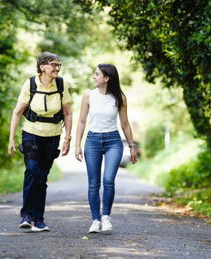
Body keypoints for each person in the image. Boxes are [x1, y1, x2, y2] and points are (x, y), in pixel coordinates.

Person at [8, 51, 72, 232]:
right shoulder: (30, 83)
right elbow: (17, 112)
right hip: (31, 132)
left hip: (52, 135)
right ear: (42, 67)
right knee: (32, 170)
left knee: (42, 177)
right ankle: (26, 215)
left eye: (58, 65)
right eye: (53, 64)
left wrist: (68, 138)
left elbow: (67, 112)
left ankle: (39, 219)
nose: (57, 68)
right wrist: (11, 138)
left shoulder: (61, 85)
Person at [74, 64, 137, 234]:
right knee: (93, 183)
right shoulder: (88, 95)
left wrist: (131, 146)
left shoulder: (120, 98)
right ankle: (95, 220)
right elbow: (81, 121)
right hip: (93, 141)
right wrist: (77, 144)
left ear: (107, 78)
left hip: (113, 142)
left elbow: (125, 124)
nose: (94, 77)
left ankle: (106, 216)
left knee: (108, 180)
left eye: (97, 75)